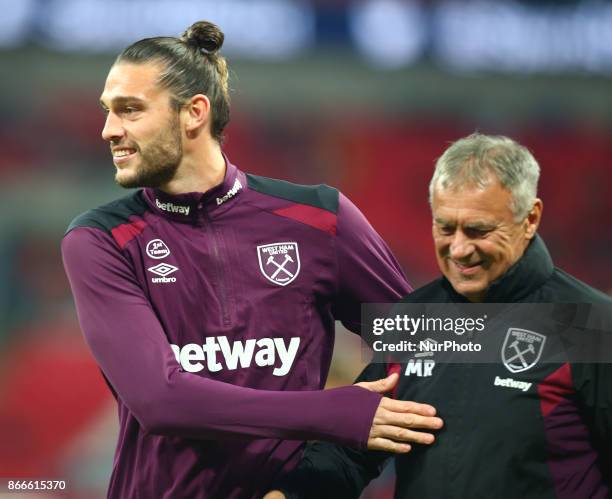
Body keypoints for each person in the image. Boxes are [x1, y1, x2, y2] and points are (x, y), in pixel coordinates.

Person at [61, 20, 444, 499]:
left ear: (193, 113)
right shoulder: (100, 239)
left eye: (130, 110)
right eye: (107, 112)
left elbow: (429, 343)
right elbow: (160, 399)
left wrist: (323, 476)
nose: (108, 130)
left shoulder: (319, 218)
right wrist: (333, 413)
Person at [269, 133, 612, 499]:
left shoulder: (590, 326)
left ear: (530, 218)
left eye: (478, 230)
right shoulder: (416, 320)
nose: (460, 249)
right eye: (445, 227)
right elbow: (353, 450)